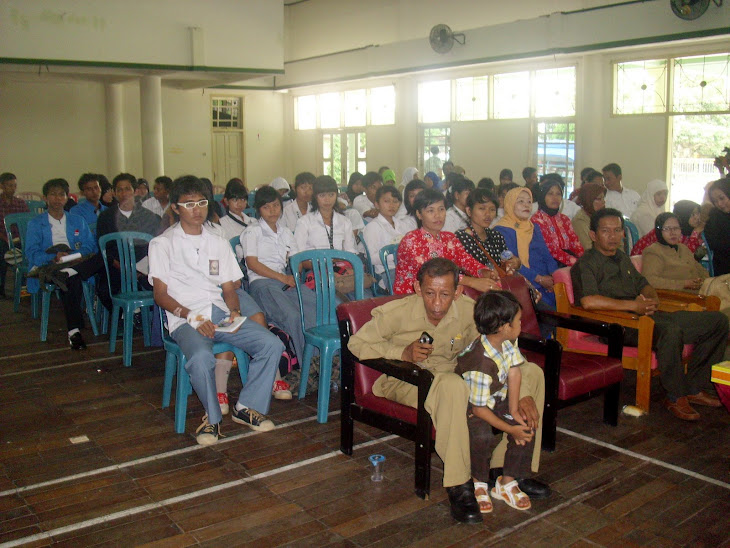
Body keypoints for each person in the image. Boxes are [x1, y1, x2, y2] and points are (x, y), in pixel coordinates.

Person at [348, 258, 548, 523]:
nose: (437, 303)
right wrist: (402, 352)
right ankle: (460, 483)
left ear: (458, 292)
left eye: (445, 294)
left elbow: (498, 344)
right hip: (408, 380)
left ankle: (509, 470)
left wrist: (520, 390)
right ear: (418, 288)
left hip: (456, 375)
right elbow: (357, 343)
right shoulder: (396, 312)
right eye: (429, 293)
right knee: (454, 387)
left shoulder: (469, 310)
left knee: (531, 372)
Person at [148, 175, 284, 445]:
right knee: (200, 358)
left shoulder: (217, 241)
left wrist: (233, 311)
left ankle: (246, 407)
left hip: (219, 313)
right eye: (188, 204)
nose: (196, 209)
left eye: (201, 202)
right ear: (175, 208)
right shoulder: (162, 244)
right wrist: (193, 317)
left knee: (271, 344)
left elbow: (229, 288)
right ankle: (212, 419)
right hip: (184, 318)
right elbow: (160, 295)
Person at [571, 208, 728, 421]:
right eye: (606, 231)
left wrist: (650, 298)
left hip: (645, 317)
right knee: (670, 330)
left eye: (617, 230)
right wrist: (632, 306)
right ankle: (675, 396)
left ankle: (694, 387)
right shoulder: (586, 264)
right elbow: (588, 302)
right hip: (618, 326)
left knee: (717, 321)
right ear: (593, 235)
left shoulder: (622, 258)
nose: (613, 236)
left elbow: (644, 284)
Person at [457, 291, 537, 513]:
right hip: (471, 405)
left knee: (526, 424)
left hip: (495, 398)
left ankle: (506, 481)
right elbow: (479, 408)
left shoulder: (506, 341)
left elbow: (515, 373)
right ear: (504, 326)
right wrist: (510, 428)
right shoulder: (480, 363)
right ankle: (479, 483)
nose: (522, 324)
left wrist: (514, 412)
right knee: (481, 435)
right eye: (519, 321)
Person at [241, 185, 316, 375]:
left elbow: (297, 259)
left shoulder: (285, 232)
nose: (273, 211)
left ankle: (328, 360)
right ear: (258, 209)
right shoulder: (253, 231)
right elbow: (252, 263)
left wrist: (294, 268)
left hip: (285, 281)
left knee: (314, 307)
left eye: (275, 205)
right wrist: (281, 276)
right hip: (263, 283)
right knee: (293, 316)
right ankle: (309, 366)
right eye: (267, 207)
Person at [25, 179, 101, 349]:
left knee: (102, 257)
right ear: (45, 198)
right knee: (69, 280)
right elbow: (31, 252)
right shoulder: (36, 223)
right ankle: (74, 331)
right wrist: (52, 257)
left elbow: (90, 245)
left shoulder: (77, 220)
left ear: (67, 198)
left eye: (61, 194)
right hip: (49, 266)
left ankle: (70, 271)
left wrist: (74, 255)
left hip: (74, 261)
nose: (57, 198)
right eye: (53, 194)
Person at [393, 189, 500, 296]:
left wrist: (483, 271)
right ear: (419, 214)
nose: (437, 215)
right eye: (431, 211)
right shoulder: (411, 240)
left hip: (443, 294)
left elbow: (466, 261)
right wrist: (471, 282)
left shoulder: (449, 238)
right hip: (413, 296)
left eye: (441, 209)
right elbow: (434, 273)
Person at [96, 173, 161, 306]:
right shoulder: (105, 217)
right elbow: (105, 249)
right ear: (114, 193)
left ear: (135, 191)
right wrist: (124, 268)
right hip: (116, 266)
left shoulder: (149, 217)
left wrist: (138, 270)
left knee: (158, 287)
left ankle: (145, 318)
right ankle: (124, 318)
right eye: (119, 189)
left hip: (143, 268)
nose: (123, 193)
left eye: (127, 189)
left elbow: (155, 247)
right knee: (105, 289)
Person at [494, 188, 559, 308]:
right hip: (527, 284)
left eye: (529, 202)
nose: (526, 205)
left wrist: (556, 278)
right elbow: (512, 264)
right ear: (510, 204)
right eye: (521, 201)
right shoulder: (501, 231)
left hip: (547, 283)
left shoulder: (534, 227)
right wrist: (539, 279)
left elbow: (547, 256)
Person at [456, 189, 521, 273]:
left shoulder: (497, 236)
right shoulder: (460, 238)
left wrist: (515, 263)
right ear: (469, 211)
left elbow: (507, 259)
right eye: (482, 208)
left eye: (492, 209)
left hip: (499, 284)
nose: (488, 214)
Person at [294, 175, 357, 255]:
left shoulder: (345, 222)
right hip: (313, 266)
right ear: (315, 197)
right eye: (322, 195)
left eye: (331, 195)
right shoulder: (304, 222)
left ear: (336, 195)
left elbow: (350, 252)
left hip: (339, 265)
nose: (327, 200)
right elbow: (298, 257)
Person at [362, 185, 409, 291]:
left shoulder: (402, 225)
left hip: (406, 269)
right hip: (387, 272)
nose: (391, 205)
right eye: (387, 201)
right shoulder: (373, 227)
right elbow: (372, 259)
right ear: (377, 204)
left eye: (395, 201)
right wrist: (397, 255)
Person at [531, 175, 584, 267]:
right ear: (542, 196)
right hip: (549, 265)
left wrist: (584, 260)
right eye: (550, 194)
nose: (555, 198)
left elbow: (575, 243)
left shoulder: (564, 219)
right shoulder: (537, 220)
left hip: (570, 263)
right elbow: (551, 249)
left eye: (558, 194)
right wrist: (575, 263)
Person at [631, 200, 703, 256]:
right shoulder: (670, 231)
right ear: (684, 215)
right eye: (693, 214)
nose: (697, 217)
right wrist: (695, 233)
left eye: (698, 213)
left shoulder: (689, 230)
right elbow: (683, 255)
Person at [0, 172, 30, 298]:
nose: (12, 189)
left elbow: (28, 222)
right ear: (2, 186)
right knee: (2, 250)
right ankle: (1, 288)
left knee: (29, 250)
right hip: (3, 238)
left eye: (14, 186)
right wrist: (6, 239)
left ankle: (24, 287)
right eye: (9, 185)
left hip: (20, 238)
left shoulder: (20, 203)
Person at [704, 177, 730, 276]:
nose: (719, 204)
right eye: (715, 201)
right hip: (724, 272)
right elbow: (714, 244)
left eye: (722, 198)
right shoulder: (714, 217)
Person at [572, 182, 606, 250]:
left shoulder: (601, 216)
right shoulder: (580, 221)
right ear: (588, 200)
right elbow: (588, 248)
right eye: (599, 199)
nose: (604, 202)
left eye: (603, 198)